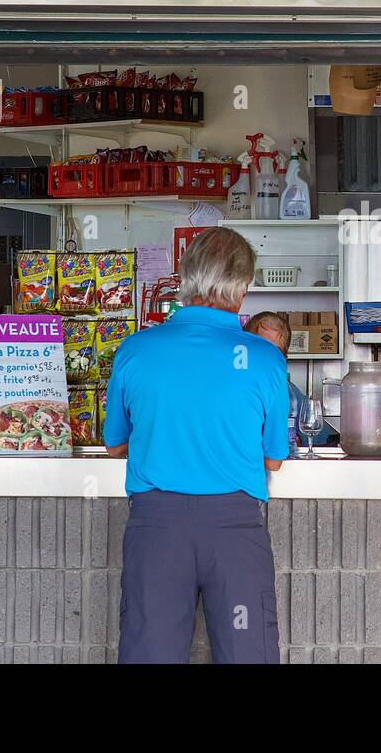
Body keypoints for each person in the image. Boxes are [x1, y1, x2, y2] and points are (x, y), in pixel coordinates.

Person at [104, 227, 289, 664]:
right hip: (235, 528)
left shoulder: (135, 350)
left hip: (156, 526)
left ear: (185, 278)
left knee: (150, 652)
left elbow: (115, 446)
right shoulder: (264, 359)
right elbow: (274, 458)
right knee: (249, 653)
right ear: (242, 288)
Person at [244, 311, 332, 446]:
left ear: (284, 357)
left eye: (275, 351)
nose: (267, 357)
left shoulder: (292, 395)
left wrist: (299, 441)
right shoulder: (231, 388)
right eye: (261, 348)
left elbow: (320, 440)